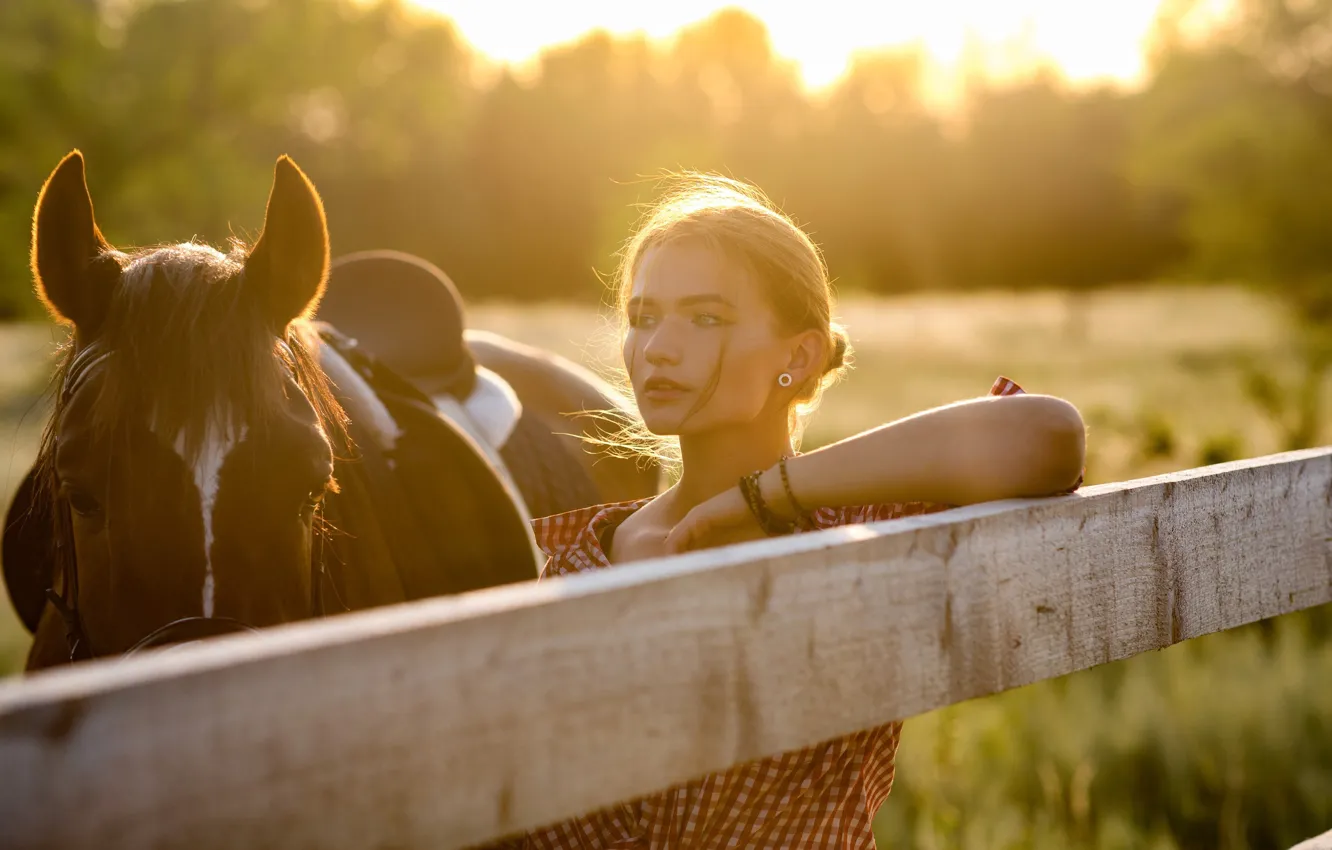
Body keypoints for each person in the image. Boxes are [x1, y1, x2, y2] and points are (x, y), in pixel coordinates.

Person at [486, 174, 1086, 849]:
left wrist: (767, 493)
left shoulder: (856, 530)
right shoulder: (567, 551)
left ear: (797, 358)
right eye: (644, 317)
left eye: (706, 317)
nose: (657, 347)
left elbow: (1047, 437)